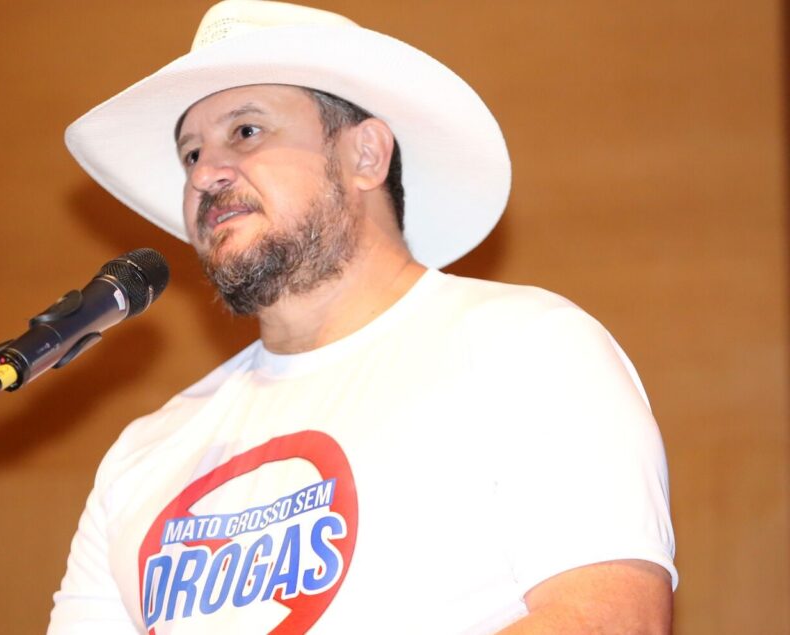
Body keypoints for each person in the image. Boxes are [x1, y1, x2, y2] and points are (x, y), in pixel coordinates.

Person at [48, 1, 677, 633]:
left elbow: (608, 619)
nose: (205, 175)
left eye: (246, 132)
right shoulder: (145, 453)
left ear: (367, 155)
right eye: (190, 155)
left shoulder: (528, 349)